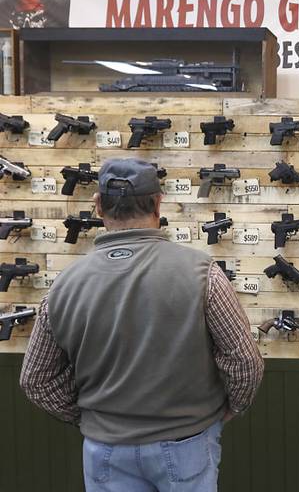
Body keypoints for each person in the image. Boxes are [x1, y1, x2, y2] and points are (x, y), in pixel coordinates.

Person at [19, 158, 264, 491]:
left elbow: (36, 380)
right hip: (187, 442)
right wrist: (232, 407)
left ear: (98, 205)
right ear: (158, 202)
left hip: (104, 448)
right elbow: (244, 361)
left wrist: (91, 417)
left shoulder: (64, 286)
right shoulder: (203, 274)